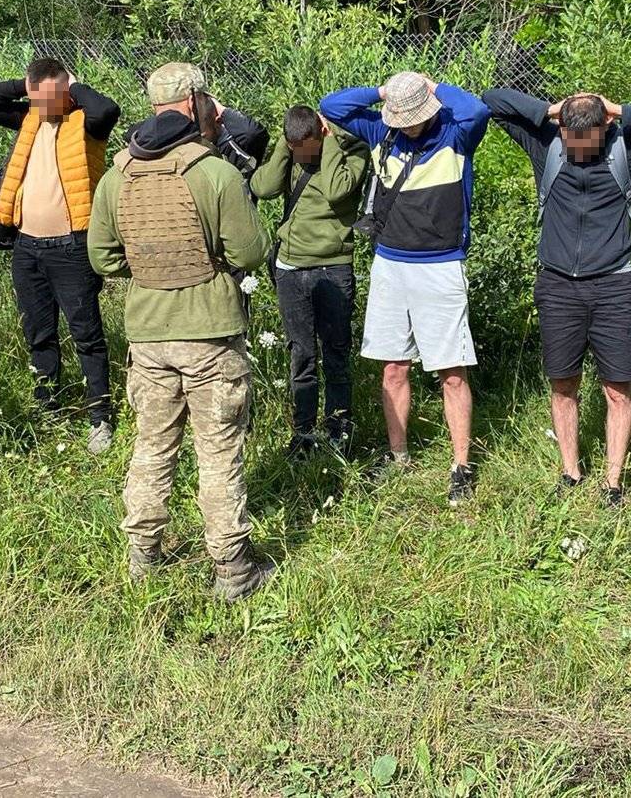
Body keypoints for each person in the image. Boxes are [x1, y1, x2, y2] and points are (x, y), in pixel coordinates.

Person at [86, 62, 274, 601]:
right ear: (195, 104)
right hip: (210, 333)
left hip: (147, 333)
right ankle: (233, 571)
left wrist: (147, 270)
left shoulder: (117, 174)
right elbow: (251, 252)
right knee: (217, 451)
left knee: (152, 445)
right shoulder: (214, 174)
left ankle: (143, 556)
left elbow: (101, 257)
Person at [483, 88, 631, 503]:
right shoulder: (548, 144)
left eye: (587, 139)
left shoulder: (628, 146)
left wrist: (622, 110)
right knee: (563, 384)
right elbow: (491, 99)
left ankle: (613, 482)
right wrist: (549, 111)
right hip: (558, 285)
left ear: (606, 127)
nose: (577, 149)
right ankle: (570, 472)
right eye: (570, 138)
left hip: (615, 285)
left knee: (618, 388)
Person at [319, 71, 490, 505]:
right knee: (393, 368)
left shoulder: (456, 133)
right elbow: (331, 105)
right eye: (400, 116)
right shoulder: (381, 129)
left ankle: (461, 465)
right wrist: (384, 93)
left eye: (413, 116)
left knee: (451, 371)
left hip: (441, 266)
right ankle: (398, 456)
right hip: (390, 265)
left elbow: (479, 108)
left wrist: (431, 87)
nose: (407, 124)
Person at [0, 57, 121, 452]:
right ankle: (47, 404)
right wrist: (27, 86)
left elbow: (108, 109)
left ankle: (99, 416)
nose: (42, 107)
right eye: (36, 98)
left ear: (65, 91)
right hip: (27, 247)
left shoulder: (85, 122)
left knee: (86, 334)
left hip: (72, 247)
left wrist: (72, 87)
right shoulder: (30, 118)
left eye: (49, 98)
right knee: (39, 332)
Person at [250, 105, 370, 459]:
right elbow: (265, 186)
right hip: (290, 269)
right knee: (301, 355)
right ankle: (302, 434)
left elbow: (336, 191)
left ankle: (338, 434)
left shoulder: (354, 152)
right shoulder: (291, 155)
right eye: (295, 147)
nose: (304, 155)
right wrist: (285, 149)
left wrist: (330, 144)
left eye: (308, 146)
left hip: (333, 266)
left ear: (322, 133)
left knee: (335, 354)